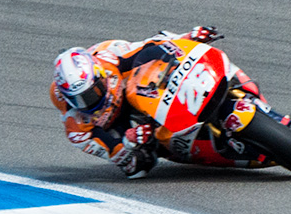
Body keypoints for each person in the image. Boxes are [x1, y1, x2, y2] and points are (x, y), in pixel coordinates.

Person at [50, 26, 270, 178]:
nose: (88, 102)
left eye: (90, 93)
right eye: (78, 99)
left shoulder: (109, 57)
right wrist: (130, 143)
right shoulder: (77, 129)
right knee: (140, 166)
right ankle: (198, 145)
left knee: (175, 61)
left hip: (138, 87)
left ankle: (243, 90)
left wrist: (188, 38)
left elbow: (152, 45)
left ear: (99, 75)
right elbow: (130, 165)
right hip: (128, 127)